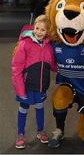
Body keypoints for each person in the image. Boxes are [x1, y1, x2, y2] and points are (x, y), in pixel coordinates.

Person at [11, 15, 56, 149]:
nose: (39, 32)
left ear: (47, 31)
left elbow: (52, 64)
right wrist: (20, 90)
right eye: (37, 28)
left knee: (39, 107)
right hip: (26, 86)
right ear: (33, 27)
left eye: (43, 30)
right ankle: (20, 134)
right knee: (23, 109)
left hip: (41, 86)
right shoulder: (25, 44)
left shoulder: (49, 46)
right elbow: (16, 68)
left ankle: (40, 131)